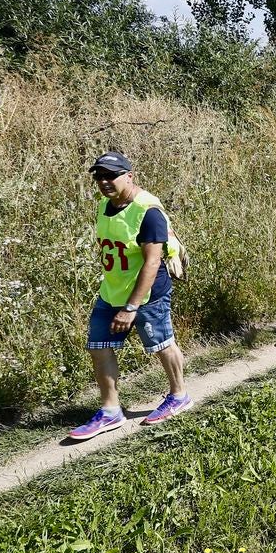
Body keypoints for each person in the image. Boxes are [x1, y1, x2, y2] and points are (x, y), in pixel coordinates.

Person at [70, 152, 189, 440]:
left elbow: (151, 262)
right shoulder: (104, 205)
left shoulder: (148, 211)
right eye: (99, 176)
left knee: (161, 344)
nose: (104, 181)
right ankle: (111, 411)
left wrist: (131, 306)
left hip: (147, 295)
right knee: (98, 347)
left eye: (111, 175)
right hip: (111, 291)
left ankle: (179, 395)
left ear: (129, 175)